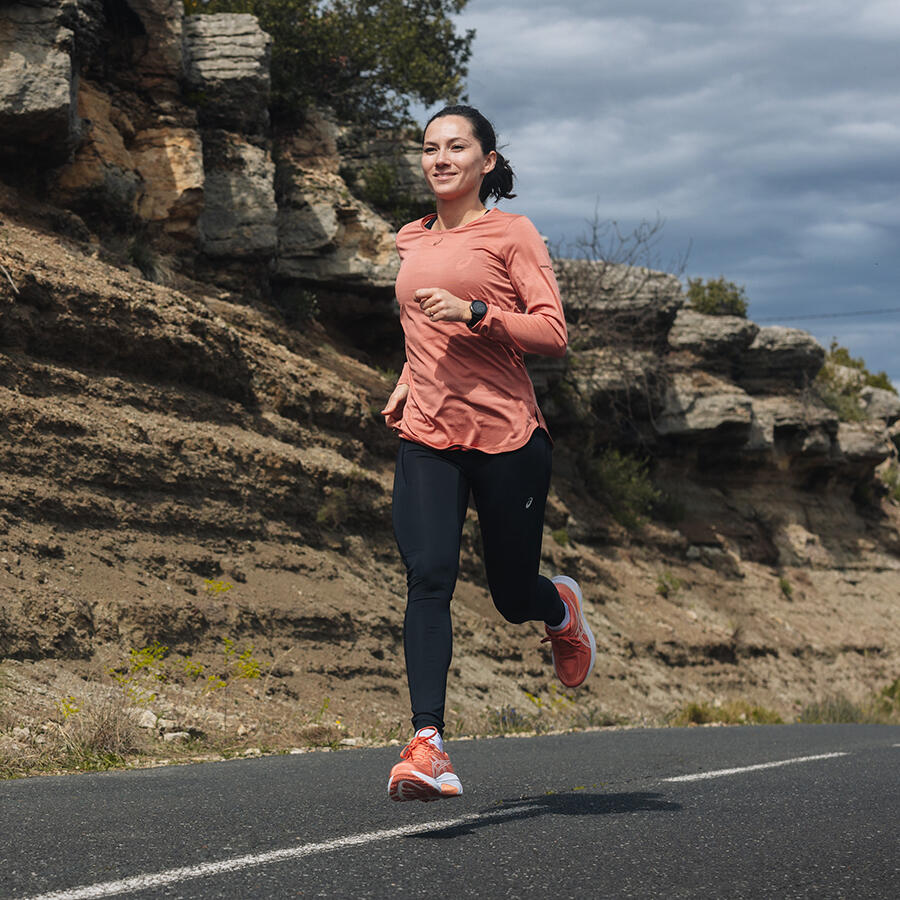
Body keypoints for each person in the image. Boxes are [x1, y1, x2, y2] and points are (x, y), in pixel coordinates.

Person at [381, 105, 595, 803]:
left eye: (456, 147)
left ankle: (558, 607)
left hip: (508, 438)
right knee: (430, 574)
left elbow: (552, 332)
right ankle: (427, 744)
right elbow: (421, 328)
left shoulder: (512, 233)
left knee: (509, 595)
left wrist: (478, 313)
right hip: (426, 436)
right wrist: (407, 381)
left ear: (488, 162)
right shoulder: (410, 238)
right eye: (429, 148)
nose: (440, 158)